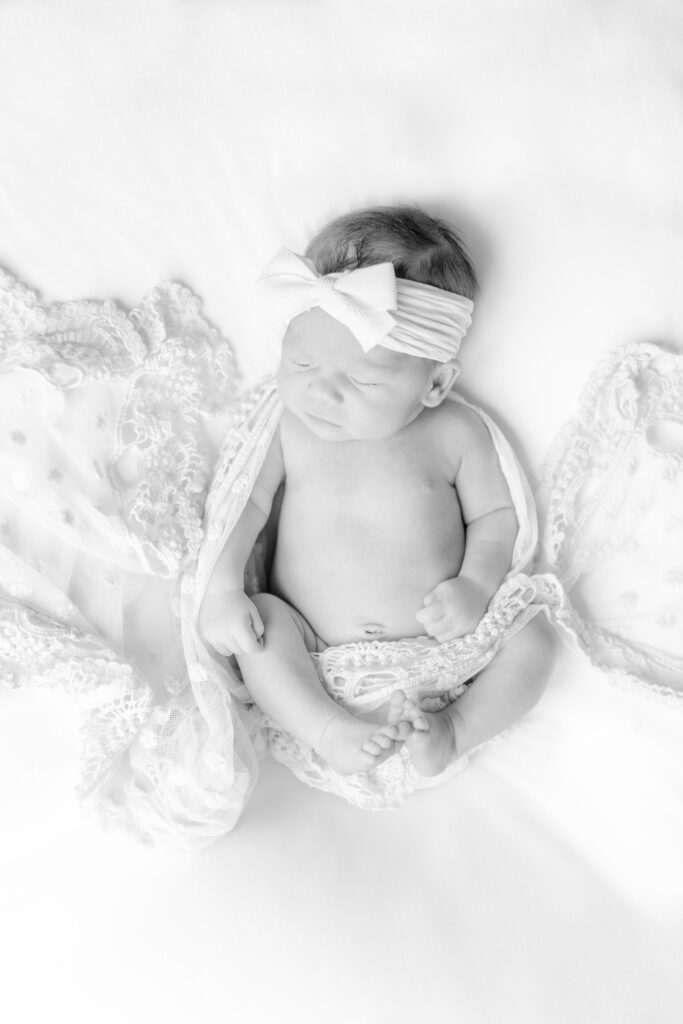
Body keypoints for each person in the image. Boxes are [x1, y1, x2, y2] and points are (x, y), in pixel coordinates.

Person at [199, 206, 554, 778]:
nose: (321, 393)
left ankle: (454, 729)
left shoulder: (456, 434)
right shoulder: (287, 428)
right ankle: (328, 729)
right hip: (314, 648)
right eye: (302, 361)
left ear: (435, 383)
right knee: (261, 630)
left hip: (443, 650)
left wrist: (475, 584)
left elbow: (495, 513)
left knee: (534, 640)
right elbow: (245, 503)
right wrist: (221, 587)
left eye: (363, 380)